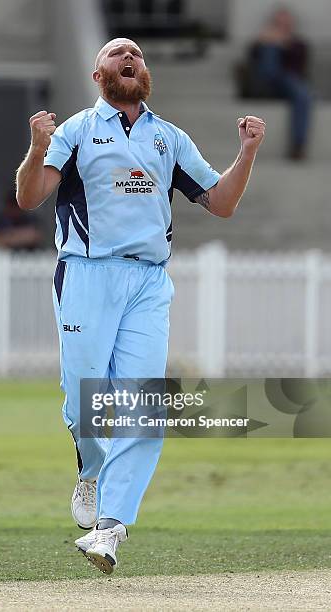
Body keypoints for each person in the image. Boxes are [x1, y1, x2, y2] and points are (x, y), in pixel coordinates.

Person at [16, 38, 265, 574]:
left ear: (145, 71)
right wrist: (37, 146)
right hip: (86, 273)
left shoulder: (168, 138)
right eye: (116, 53)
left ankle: (109, 528)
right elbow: (30, 196)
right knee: (85, 393)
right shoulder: (77, 130)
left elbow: (219, 202)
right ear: (97, 71)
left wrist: (245, 154)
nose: (129, 57)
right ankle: (90, 462)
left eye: (137, 54)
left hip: (149, 281)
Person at [250, 6, 312, 160]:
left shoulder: (298, 44)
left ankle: (298, 146)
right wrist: (264, 43)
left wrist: (282, 43)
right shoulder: (263, 43)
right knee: (269, 50)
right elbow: (251, 58)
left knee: (303, 95)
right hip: (264, 83)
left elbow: (300, 64)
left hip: (288, 83)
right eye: (278, 23)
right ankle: (269, 78)